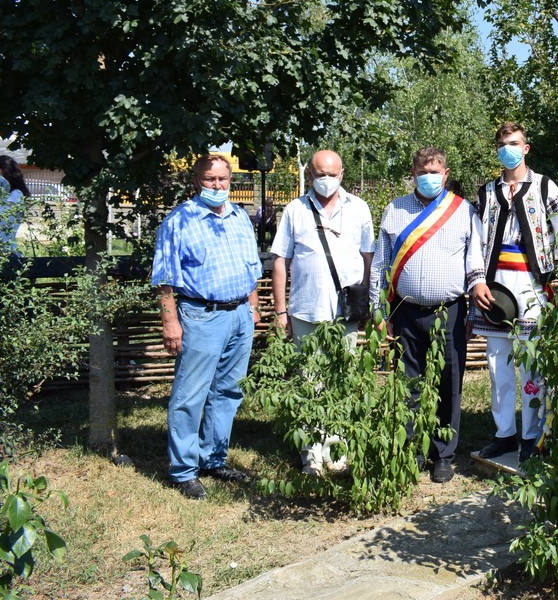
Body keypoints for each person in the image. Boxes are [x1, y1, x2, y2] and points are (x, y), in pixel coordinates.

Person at [371, 147, 488, 484]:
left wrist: (472, 310)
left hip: (449, 311)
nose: (428, 177)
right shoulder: (395, 209)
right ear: (413, 173)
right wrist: (379, 310)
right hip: (404, 312)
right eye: (423, 171)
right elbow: (380, 264)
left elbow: (474, 262)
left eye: (435, 171)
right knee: (407, 383)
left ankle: (443, 454)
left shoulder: (463, 210)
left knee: (449, 384)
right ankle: (410, 450)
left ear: (445, 174)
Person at [151, 154, 262, 500]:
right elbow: (164, 280)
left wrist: (253, 307)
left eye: (223, 179)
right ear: (196, 181)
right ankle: (184, 470)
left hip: (239, 314)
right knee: (190, 395)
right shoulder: (179, 221)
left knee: (228, 391)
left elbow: (251, 268)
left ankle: (213, 459)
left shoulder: (239, 217)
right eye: (210, 179)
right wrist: (170, 322)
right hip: (201, 316)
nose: (217, 185)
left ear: (231, 181)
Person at [270, 150, 375, 475]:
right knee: (309, 382)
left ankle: (337, 453)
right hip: (306, 311)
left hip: (345, 313)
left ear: (342, 174)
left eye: (332, 174)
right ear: (310, 176)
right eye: (320, 174)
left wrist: (367, 301)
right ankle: (312, 457)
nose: (326, 180)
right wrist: (280, 311)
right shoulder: (295, 210)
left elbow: (368, 257)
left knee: (342, 382)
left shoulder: (359, 208)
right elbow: (280, 260)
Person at [471, 122, 558, 463]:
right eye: (502, 144)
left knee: (532, 365)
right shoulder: (487, 192)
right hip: (495, 285)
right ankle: (504, 434)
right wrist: (477, 281)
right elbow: (475, 241)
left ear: (526, 148)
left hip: (532, 285)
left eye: (513, 143)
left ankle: (531, 435)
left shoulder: (543, 186)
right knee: (497, 364)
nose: (507, 149)